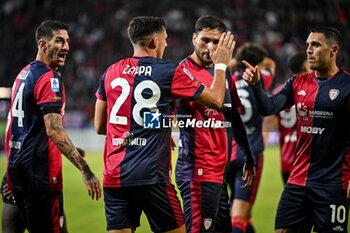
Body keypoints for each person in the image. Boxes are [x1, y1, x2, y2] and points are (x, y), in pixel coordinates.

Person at [94, 16, 236, 233]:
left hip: (114, 176)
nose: (167, 44)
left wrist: (155, 126)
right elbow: (216, 100)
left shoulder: (111, 71)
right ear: (154, 42)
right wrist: (220, 66)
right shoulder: (169, 71)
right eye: (165, 39)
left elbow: (100, 126)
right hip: (151, 176)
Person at [242, 26, 350, 232]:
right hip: (297, 181)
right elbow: (269, 107)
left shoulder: (347, 85)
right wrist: (256, 85)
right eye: (308, 45)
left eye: (316, 45)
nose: (309, 50)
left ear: (333, 50)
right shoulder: (297, 82)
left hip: (333, 184)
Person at [5, 20, 101, 233]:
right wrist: (85, 168)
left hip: (19, 171)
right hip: (40, 176)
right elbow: (54, 130)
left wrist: (10, 172)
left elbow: (18, 129)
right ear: (42, 44)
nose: (66, 47)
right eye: (59, 41)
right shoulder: (49, 79)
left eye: (67, 41)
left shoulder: (23, 74)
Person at [174, 16, 256, 233]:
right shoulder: (182, 72)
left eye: (216, 42)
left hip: (218, 173)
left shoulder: (223, 73)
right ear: (194, 39)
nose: (210, 47)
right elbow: (162, 111)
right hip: (196, 172)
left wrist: (248, 154)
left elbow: (233, 117)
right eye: (205, 40)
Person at [227, 42, 275, 233]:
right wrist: (261, 65)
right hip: (250, 155)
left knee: (243, 214)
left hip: (227, 153)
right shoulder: (260, 79)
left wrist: (235, 63)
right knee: (239, 214)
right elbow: (271, 64)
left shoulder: (227, 79)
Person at [271, 53, 311, 184]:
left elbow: (276, 124)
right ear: (306, 66)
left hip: (286, 159)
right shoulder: (313, 90)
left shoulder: (278, 91)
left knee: (292, 202)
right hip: (306, 160)